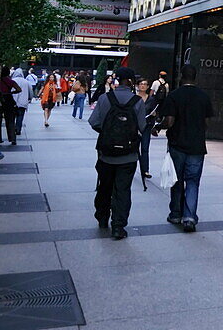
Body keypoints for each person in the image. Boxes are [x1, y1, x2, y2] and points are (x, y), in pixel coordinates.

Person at [88, 66, 145, 240]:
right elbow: (142, 127)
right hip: (128, 155)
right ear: (130, 81)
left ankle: (102, 217)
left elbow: (94, 122)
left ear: (118, 79)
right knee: (123, 190)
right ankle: (118, 226)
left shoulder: (105, 98)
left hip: (106, 154)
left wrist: (108, 134)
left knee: (104, 186)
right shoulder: (137, 101)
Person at [157, 64, 214, 233]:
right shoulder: (204, 97)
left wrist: (158, 127)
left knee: (177, 180)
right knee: (193, 182)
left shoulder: (174, 96)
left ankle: (175, 214)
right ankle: (189, 217)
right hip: (197, 146)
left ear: (182, 76)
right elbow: (207, 123)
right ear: (195, 77)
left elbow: (169, 121)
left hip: (177, 145)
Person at [0, 66, 21, 146]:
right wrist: (11, 93)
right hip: (9, 100)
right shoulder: (10, 81)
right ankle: (12, 138)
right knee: (10, 120)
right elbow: (19, 89)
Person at [135, 77, 156, 180]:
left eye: (145, 84)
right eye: (141, 84)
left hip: (146, 126)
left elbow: (154, 112)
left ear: (148, 87)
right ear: (137, 85)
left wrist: (154, 115)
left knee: (145, 148)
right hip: (135, 127)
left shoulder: (151, 99)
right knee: (134, 148)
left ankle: (145, 170)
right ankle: (131, 168)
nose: (143, 85)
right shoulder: (134, 98)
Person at [11, 68, 33, 140]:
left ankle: (12, 128)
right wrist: (29, 98)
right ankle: (18, 129)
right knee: (20, 116)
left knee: (12, 117)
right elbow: (30, 92)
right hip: (23, 102)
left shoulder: (12, 81)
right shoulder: (26, 82)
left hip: (13, 102)